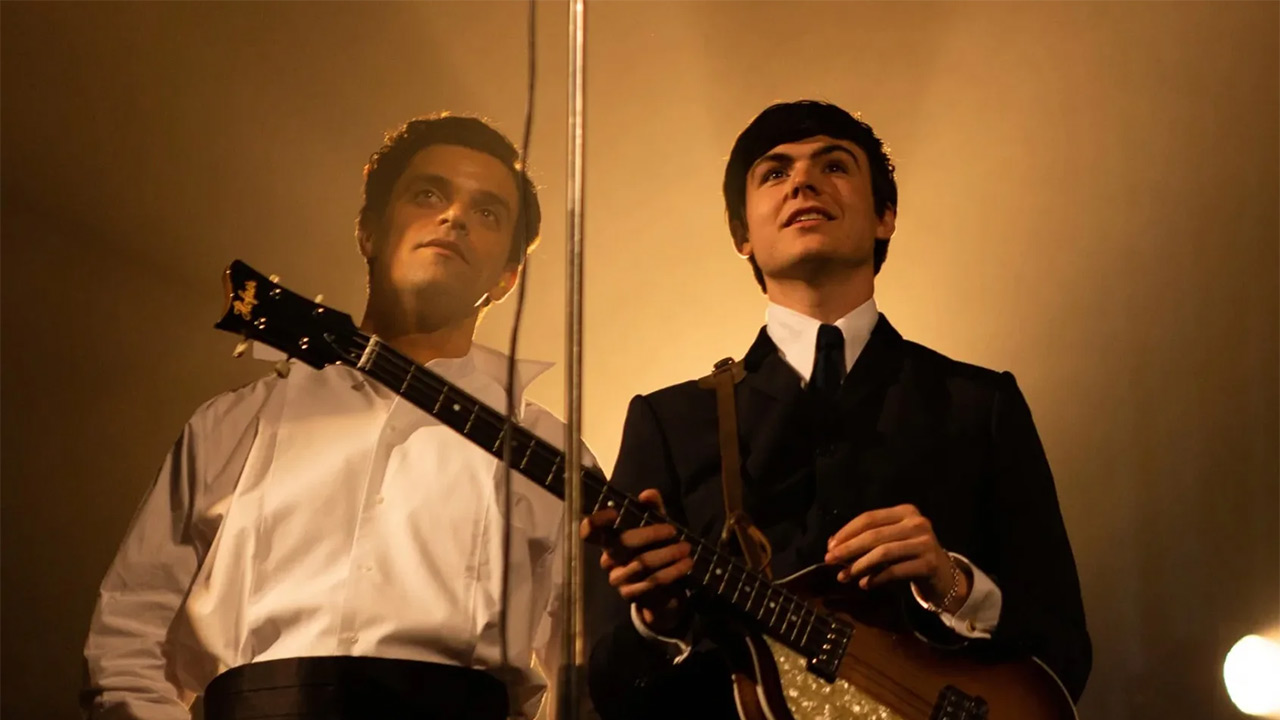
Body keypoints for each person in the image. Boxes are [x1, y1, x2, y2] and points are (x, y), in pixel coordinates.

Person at [583, 100, 1091, 719]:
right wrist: (656, 622)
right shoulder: (668, 422)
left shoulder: (980, 404)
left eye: (834, 166)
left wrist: (952, 584)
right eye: (774, 172)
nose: (802, 182)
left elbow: (1064, 653)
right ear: (742, 235)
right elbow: (606, 690)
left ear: (885, 216)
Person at [83, 114, 572, 720]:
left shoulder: (549, 453)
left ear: (507, 278)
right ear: (368, 231)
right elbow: (128, 645)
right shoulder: (233, 425)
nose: (455, 218)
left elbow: (590, 677)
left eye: (488, 212)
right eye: (428, 195)